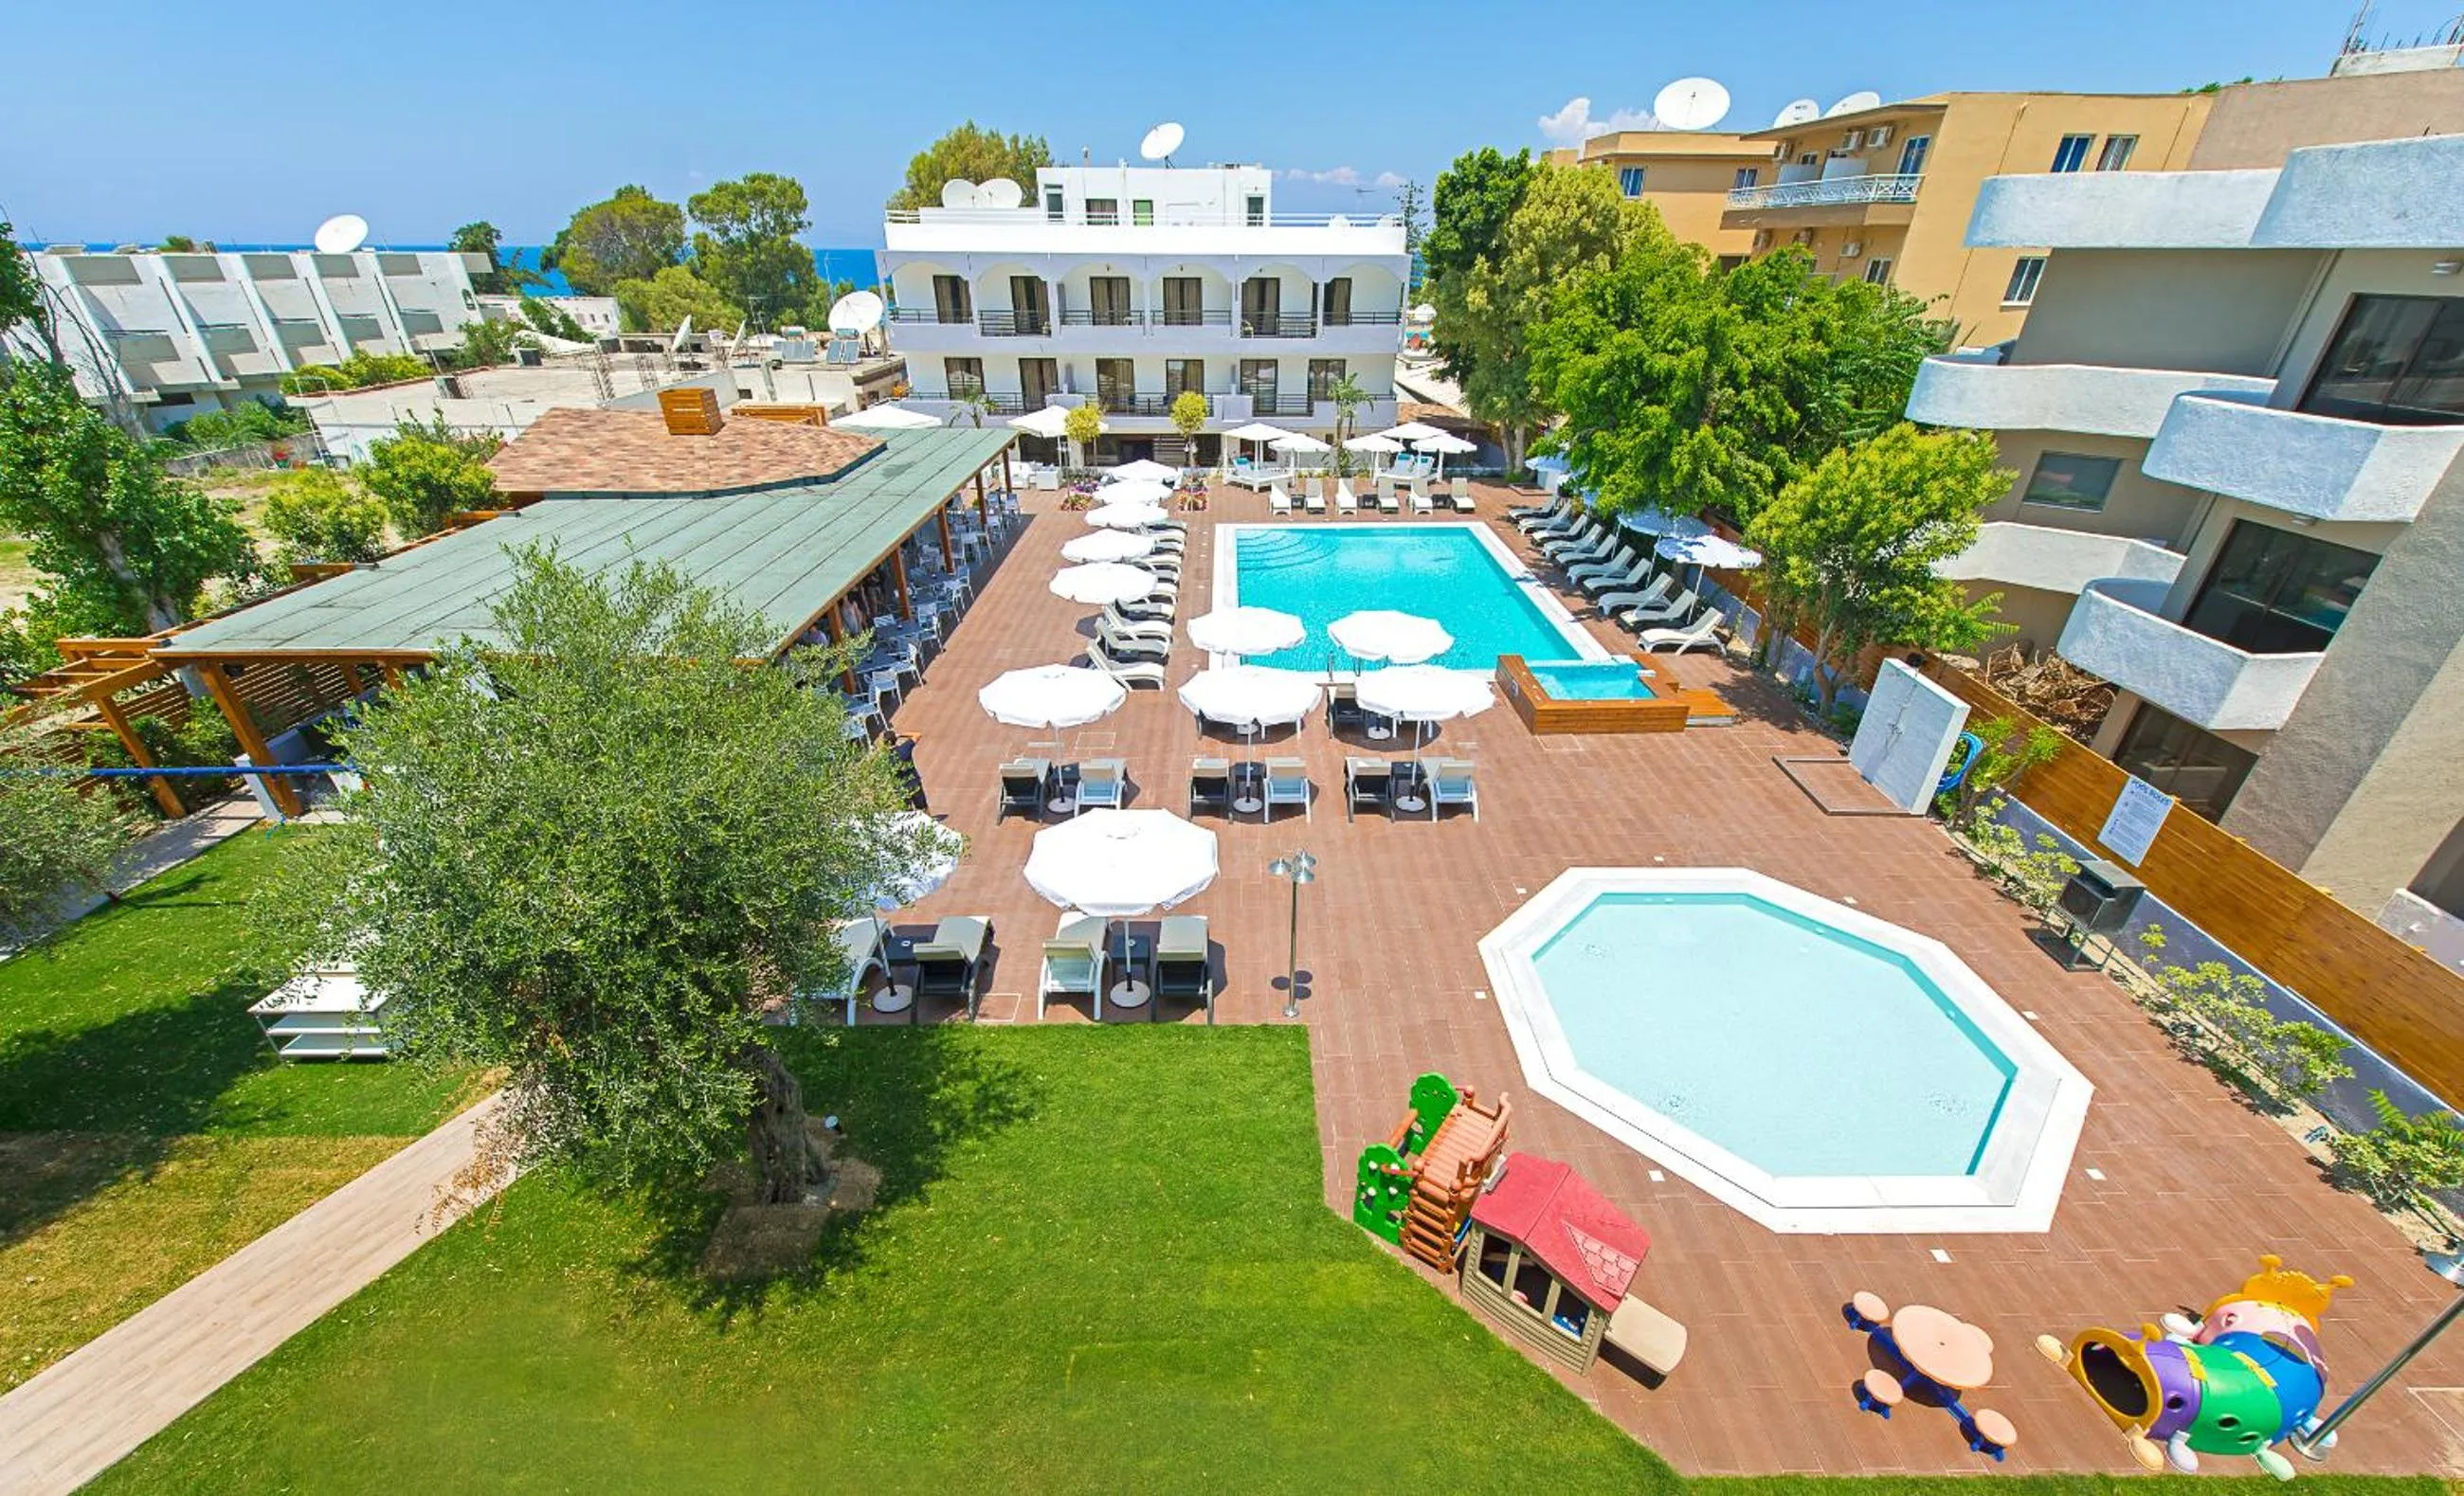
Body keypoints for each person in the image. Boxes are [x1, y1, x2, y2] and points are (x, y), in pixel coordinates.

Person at [892, 734, 926, 812]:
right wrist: (900, 735)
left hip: (900, 787)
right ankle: (929, 819)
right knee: (922, 808)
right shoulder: (904, 748)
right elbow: (917, 735)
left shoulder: (884, 756)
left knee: (906, 811)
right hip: (913, 782)